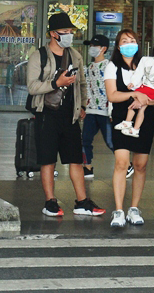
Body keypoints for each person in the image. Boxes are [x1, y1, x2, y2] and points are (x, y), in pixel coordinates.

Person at [27, 12, 105, 217]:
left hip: (69, 116)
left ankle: (82, 201)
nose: (69, 35)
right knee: (48, 160)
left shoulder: (75, 55)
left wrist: (82, 106)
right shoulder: (39, 56)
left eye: (71, 32)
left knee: (75, 160)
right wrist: (56, 83)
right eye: (65, 32)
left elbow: (81, 83)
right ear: (53, 34)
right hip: (46, 114)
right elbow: (32, 86)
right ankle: (50, 202)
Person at [105, 29, 154, 227]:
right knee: (121, 162)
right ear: (118, 46)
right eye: (125, 40)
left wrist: (147, 100)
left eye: (133, 40)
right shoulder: (112, 66)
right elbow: (112, 95)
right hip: (122, 118)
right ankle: (119, 210)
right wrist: (134, 95)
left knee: (140, 165)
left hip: (145, 119)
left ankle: (134, 208)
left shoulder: (147, 64)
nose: (129, 43)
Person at [116, 38, 154, 138]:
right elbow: (139, 73)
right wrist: (133, 83)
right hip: (144, 88)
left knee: (135, 102)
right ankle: (135, 129)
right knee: (140, 108)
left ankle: (128, 122)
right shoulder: (145, 60)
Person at [81, 34, 114, 179]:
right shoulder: (88, 67)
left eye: (95, 46)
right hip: (90, 110)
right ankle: (87, 167)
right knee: (85, 139)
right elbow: (86, 88)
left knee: (111, 141)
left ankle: (125, 164)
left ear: (103, 49)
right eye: (91, 46)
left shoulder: (109, 66)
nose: (92, 49)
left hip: (106, 111)